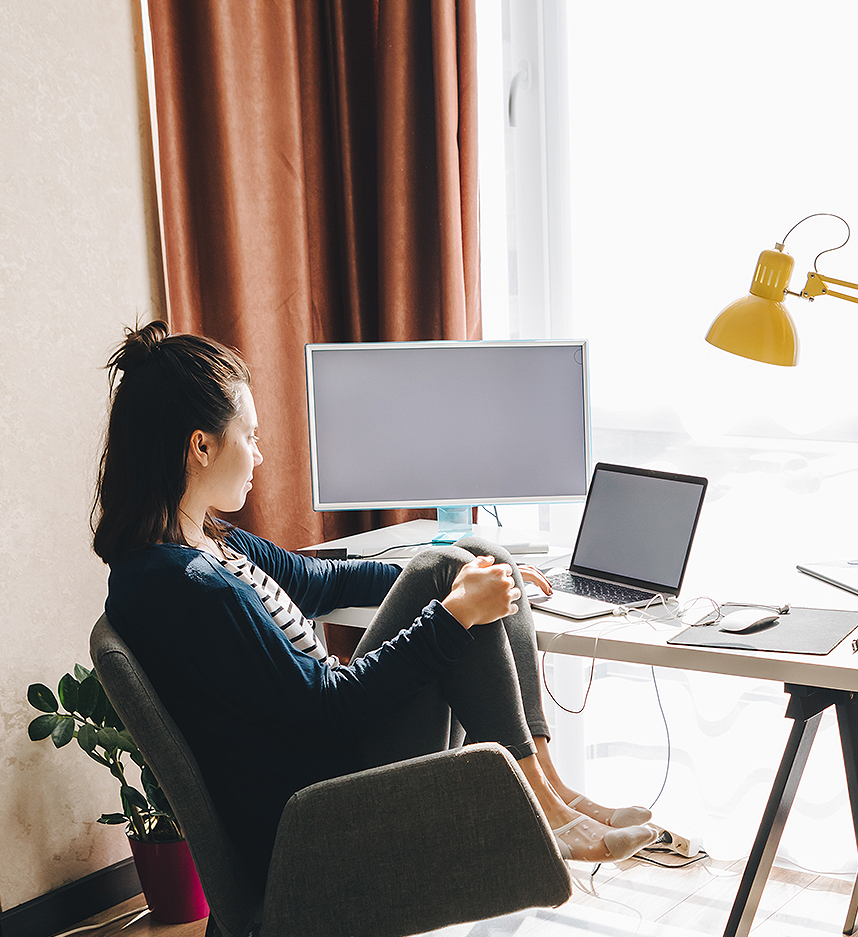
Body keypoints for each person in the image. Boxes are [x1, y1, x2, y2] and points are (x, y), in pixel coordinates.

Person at [95, 321, 653, 877]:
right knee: (454, 571)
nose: (260, 457)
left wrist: (475, 579)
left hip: (335, 762)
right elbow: (328, 710)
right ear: (201, 446)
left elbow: (324, 583)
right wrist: (454, 612)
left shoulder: (207, 545)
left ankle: (551, 791)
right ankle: (543, 810)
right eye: (252, 437)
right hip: (326, 808)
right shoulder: (192, 589)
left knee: (474, 553)